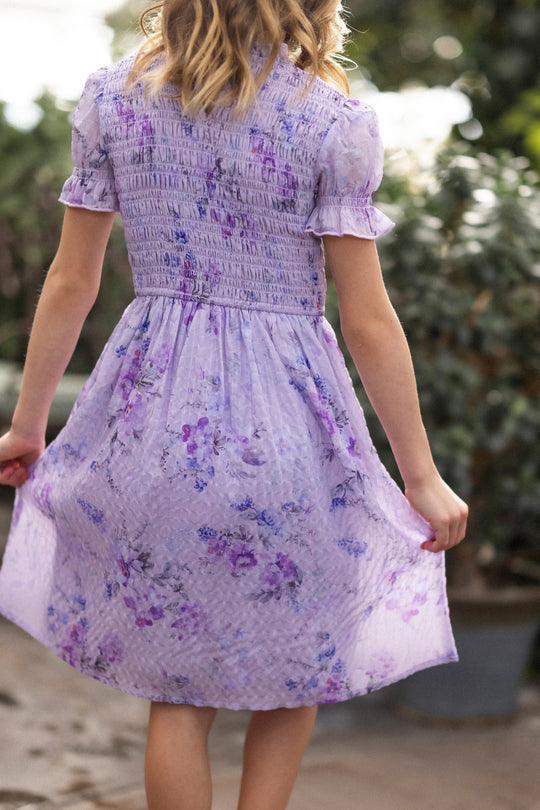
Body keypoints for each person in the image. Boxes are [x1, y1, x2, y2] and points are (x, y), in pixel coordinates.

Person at [0, 1, 468, 808]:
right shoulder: (330, 121)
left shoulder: (112, 102)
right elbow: (366, 318)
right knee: (300, 662)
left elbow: (70, 285)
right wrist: (418, 475)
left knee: (180, 696)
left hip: (153, 425)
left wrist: (28, 425)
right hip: (291, 430)